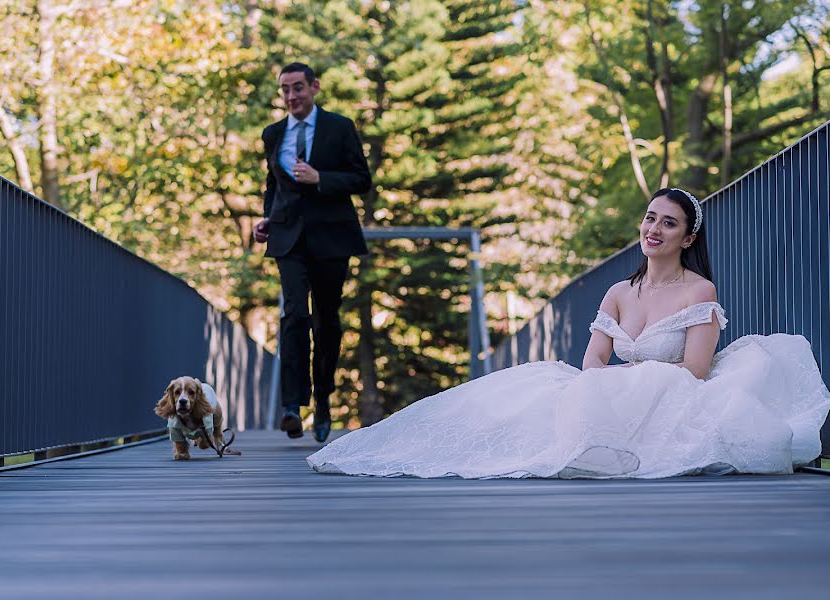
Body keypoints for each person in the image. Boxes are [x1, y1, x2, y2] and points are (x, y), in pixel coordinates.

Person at [307, 188, 830, 478]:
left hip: (675, 394)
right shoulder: (617, 292)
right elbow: (593, 362)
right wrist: (610, 383)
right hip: (615, 388)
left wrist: (636, 378)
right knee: (518, 401)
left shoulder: (700, 292)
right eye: (649, 218)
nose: (653, 229)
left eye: (668, 223)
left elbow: (695, 370)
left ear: (688, 236)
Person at [254, 62, 371, 442]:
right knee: (293, 315)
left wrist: (322, 179)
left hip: (331, 239)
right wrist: (266, 218)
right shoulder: (273, 134)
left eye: (298, 88)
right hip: (288, 239)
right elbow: (274, 185)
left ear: (314, 87)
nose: (291, 97)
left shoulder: (340, 128)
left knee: (326, 322)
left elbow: (361, 180)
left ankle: (322, 400)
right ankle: (292, 405)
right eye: (285, 89)